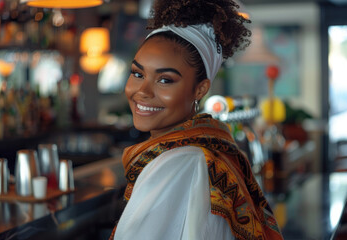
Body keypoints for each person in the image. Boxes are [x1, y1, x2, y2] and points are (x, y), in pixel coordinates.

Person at [110, 0, 283, 239]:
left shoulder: (178, 163)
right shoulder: (208, 147)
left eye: (165, 80)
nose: (143, 91)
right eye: (138, 74)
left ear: (200, 90)